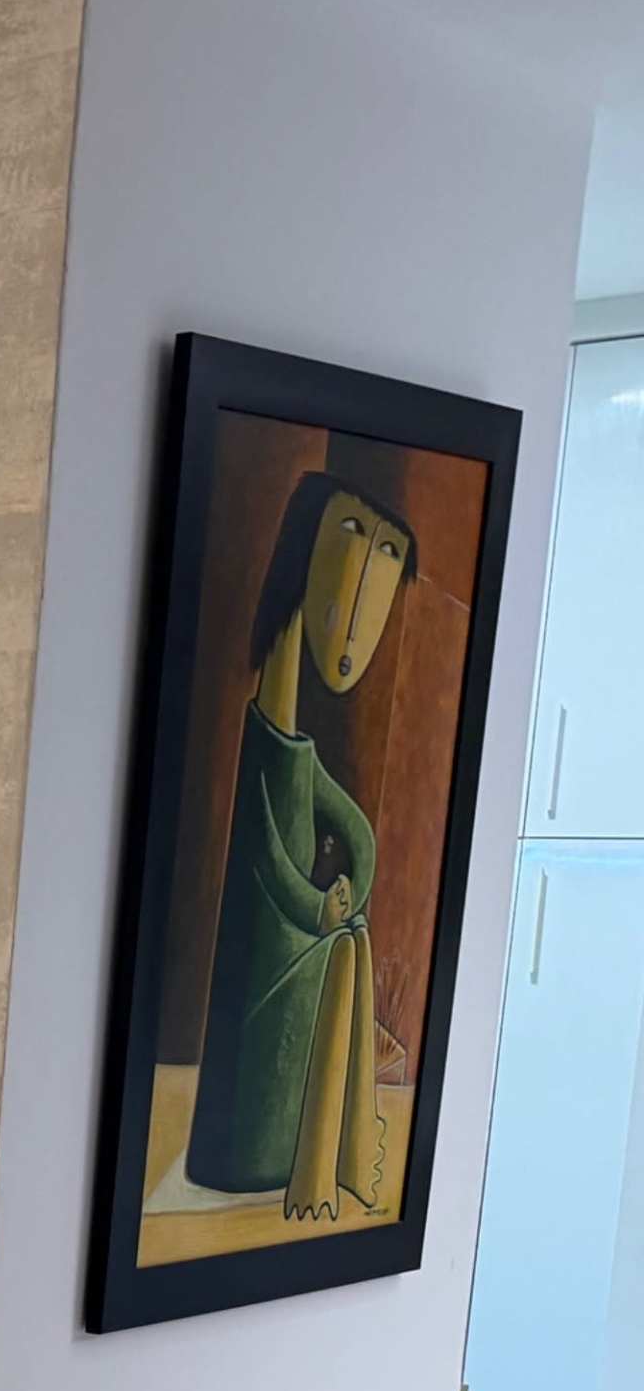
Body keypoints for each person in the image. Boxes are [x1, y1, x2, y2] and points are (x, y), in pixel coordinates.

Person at [182, 466, 412, 1218]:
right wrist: (317, 907)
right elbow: (265, 853)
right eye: (352, 535)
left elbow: (341, 823)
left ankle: (287, 1155)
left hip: (300, 951)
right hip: (272, 953)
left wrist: (343, 892)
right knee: (256, 1081)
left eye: (386, 551)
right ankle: (254, 1160)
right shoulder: (267, 737)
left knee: (282, 1073)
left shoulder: (291, 750)